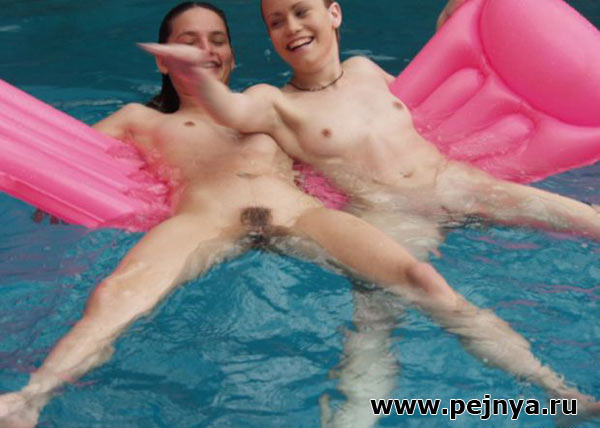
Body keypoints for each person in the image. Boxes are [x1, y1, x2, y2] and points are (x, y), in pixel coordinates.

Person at [0, 2, 597, 427]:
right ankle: (30, 399)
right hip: (202, 220)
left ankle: (556, 393)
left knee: (421, 280)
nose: (204, 51)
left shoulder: (271, 106)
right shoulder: (141, 119)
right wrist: (61, 200)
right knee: (117, 294)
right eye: (188, 41)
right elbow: (72, 156)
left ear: (231, 52)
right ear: (164, 60)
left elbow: (375, 125)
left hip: (297, 214)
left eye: (215, 40)